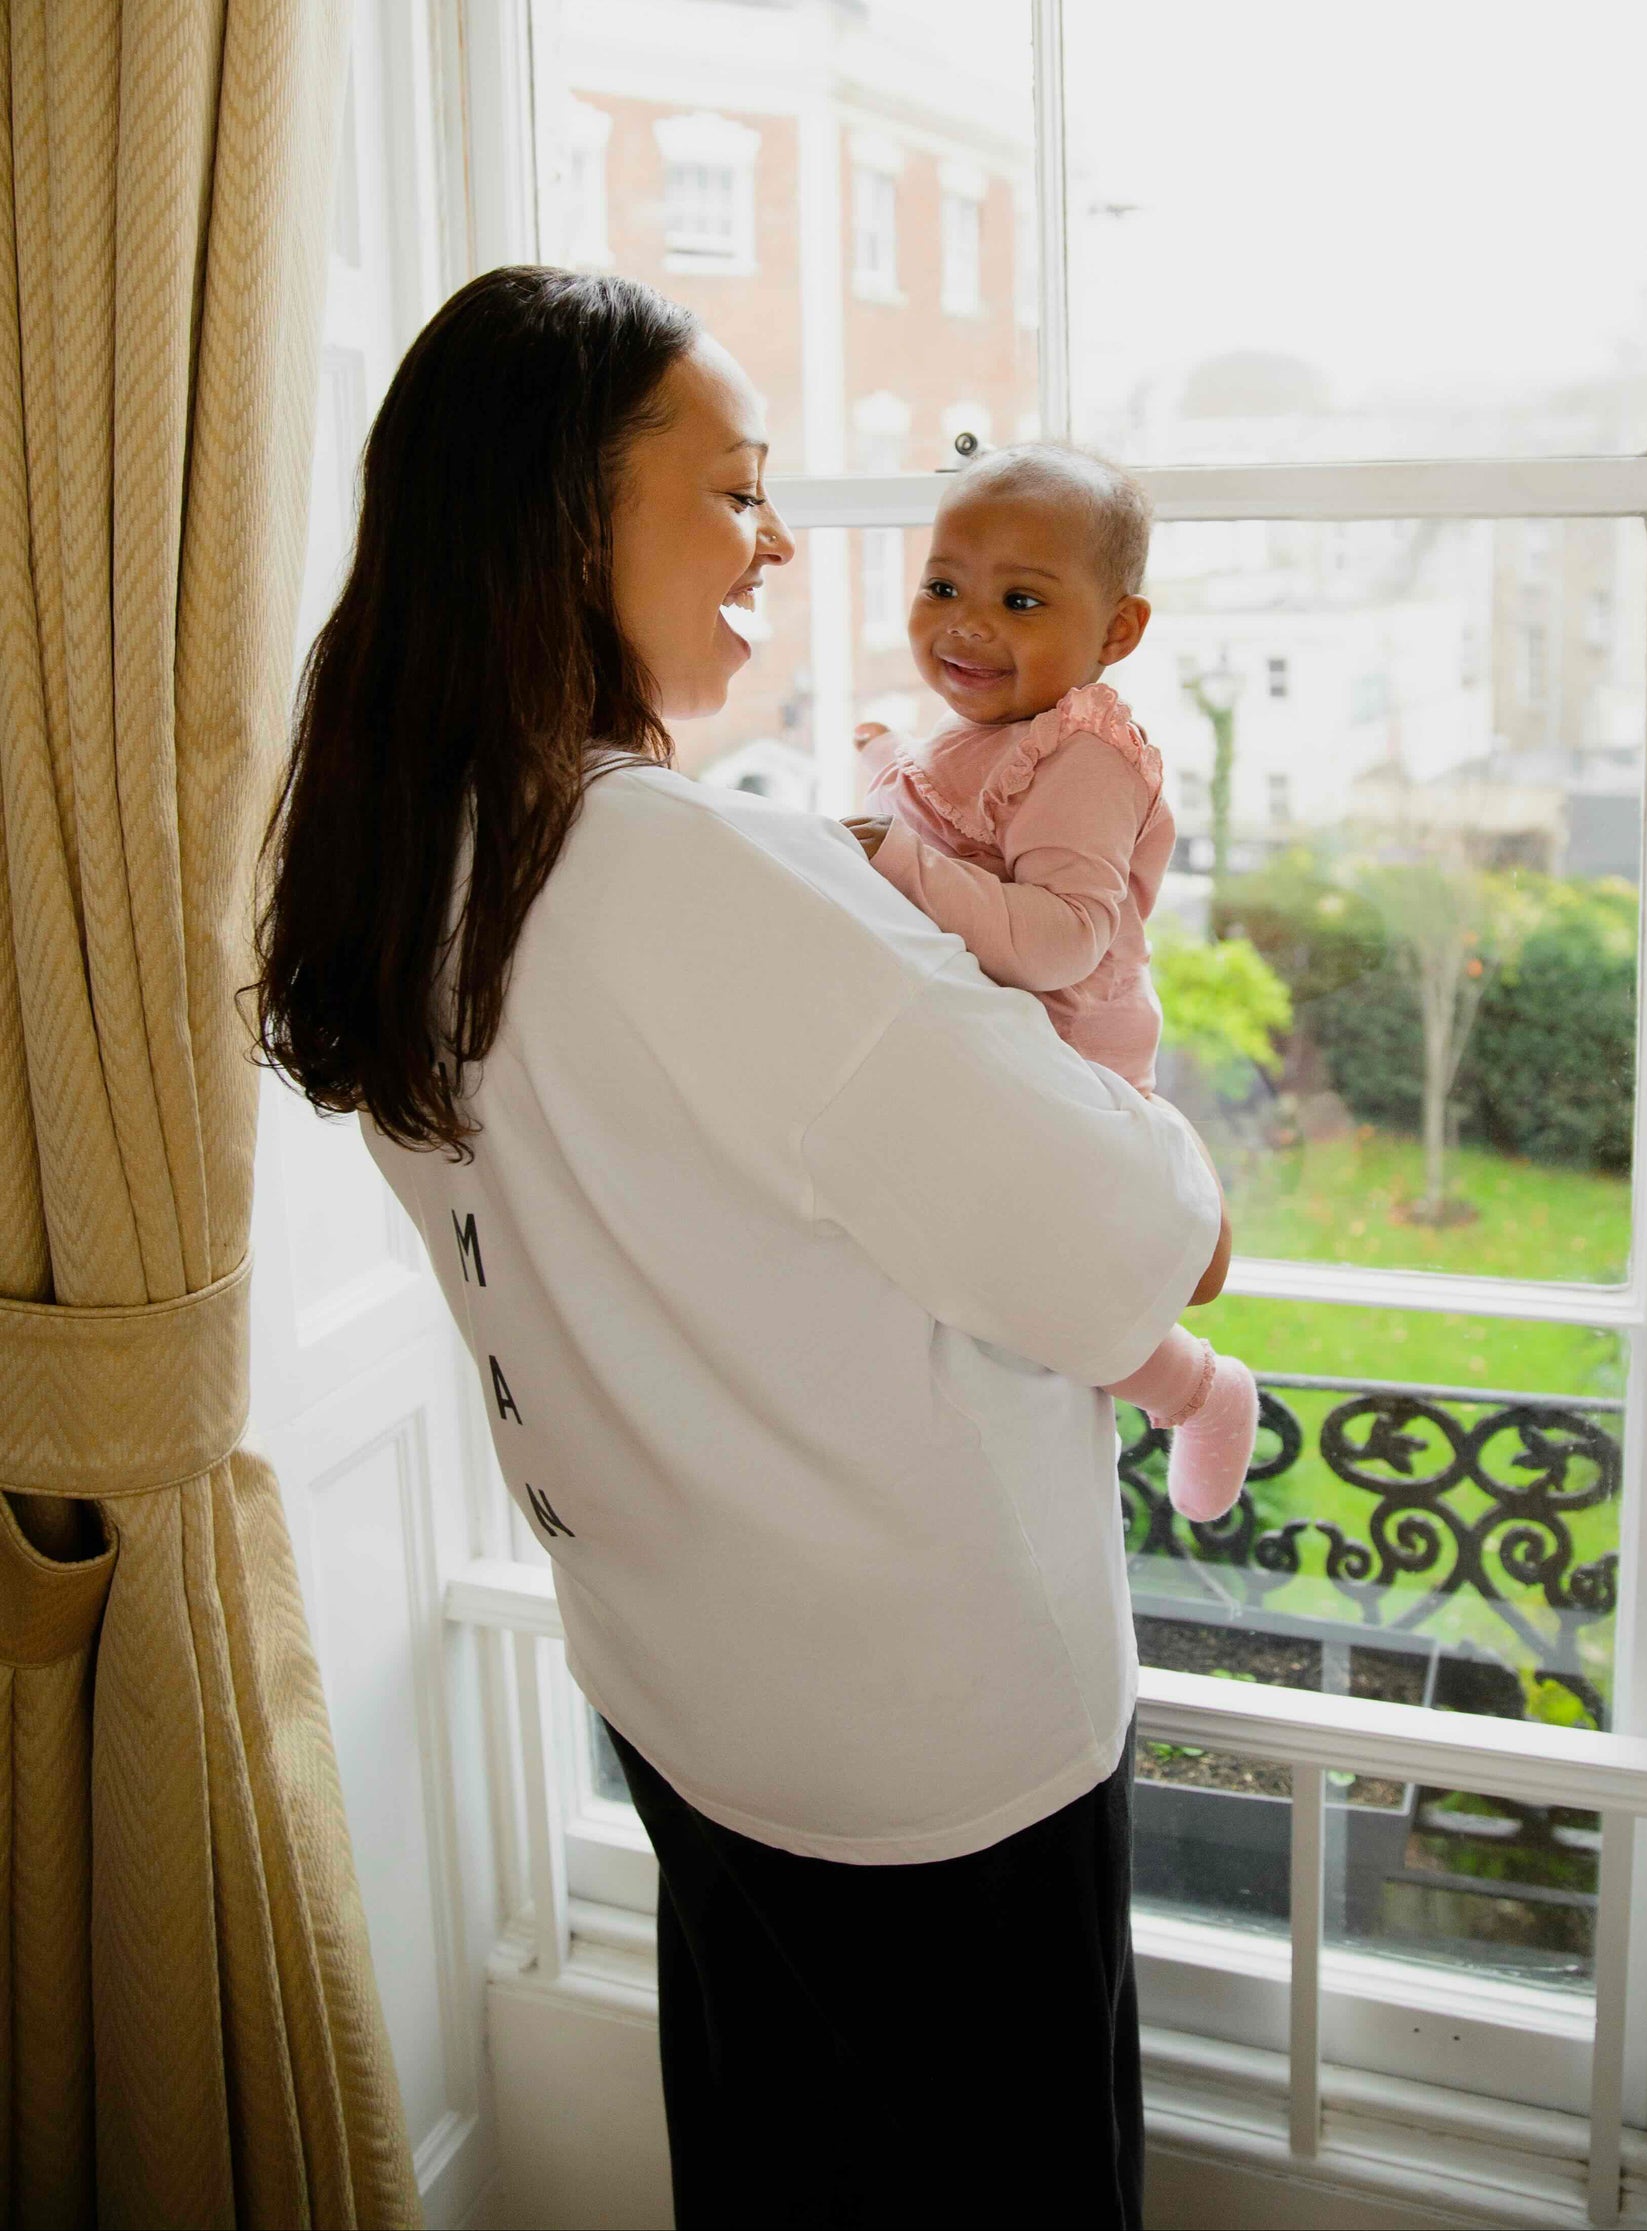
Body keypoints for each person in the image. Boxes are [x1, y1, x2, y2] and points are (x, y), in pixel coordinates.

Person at [253, 267, 1223, 2229]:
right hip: (921, 1750)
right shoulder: (693, 875)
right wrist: (1173, 1151)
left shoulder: (414, 856)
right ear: (561, 519)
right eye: (734, 487)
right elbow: (1126, 1241)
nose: (777, 536)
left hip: (691, 1697)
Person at [845, 442, 1260, 1522]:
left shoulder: (1083, 755)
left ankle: (1201, 1390)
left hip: (1069, 1051)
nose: (965, 622)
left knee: (1034, 1275)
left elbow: (1059, 941)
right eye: (943, 586)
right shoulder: (977, 736)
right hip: (991, 1050)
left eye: (1019, 598)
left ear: (1116, 631)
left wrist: (891, 856)